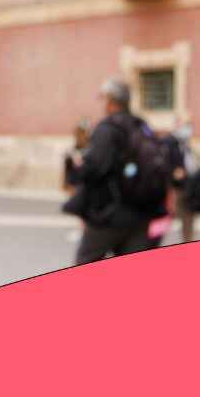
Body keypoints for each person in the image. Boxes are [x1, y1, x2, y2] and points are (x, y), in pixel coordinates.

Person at [65, 79, 165, 263]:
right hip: (142, 213)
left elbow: (95, 168)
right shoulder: (142, 126)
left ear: (110, 101)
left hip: (109, 214)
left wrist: (77, 168)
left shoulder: (107, 128)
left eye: (103, 99)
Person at [61, 118, 92, 199]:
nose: (81, 136)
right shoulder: (71, 152)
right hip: (75, 188)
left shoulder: (92, 151)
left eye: (84, 133)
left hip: (89, 188)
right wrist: (67, 185)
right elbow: (67, 169)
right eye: (79, 133)